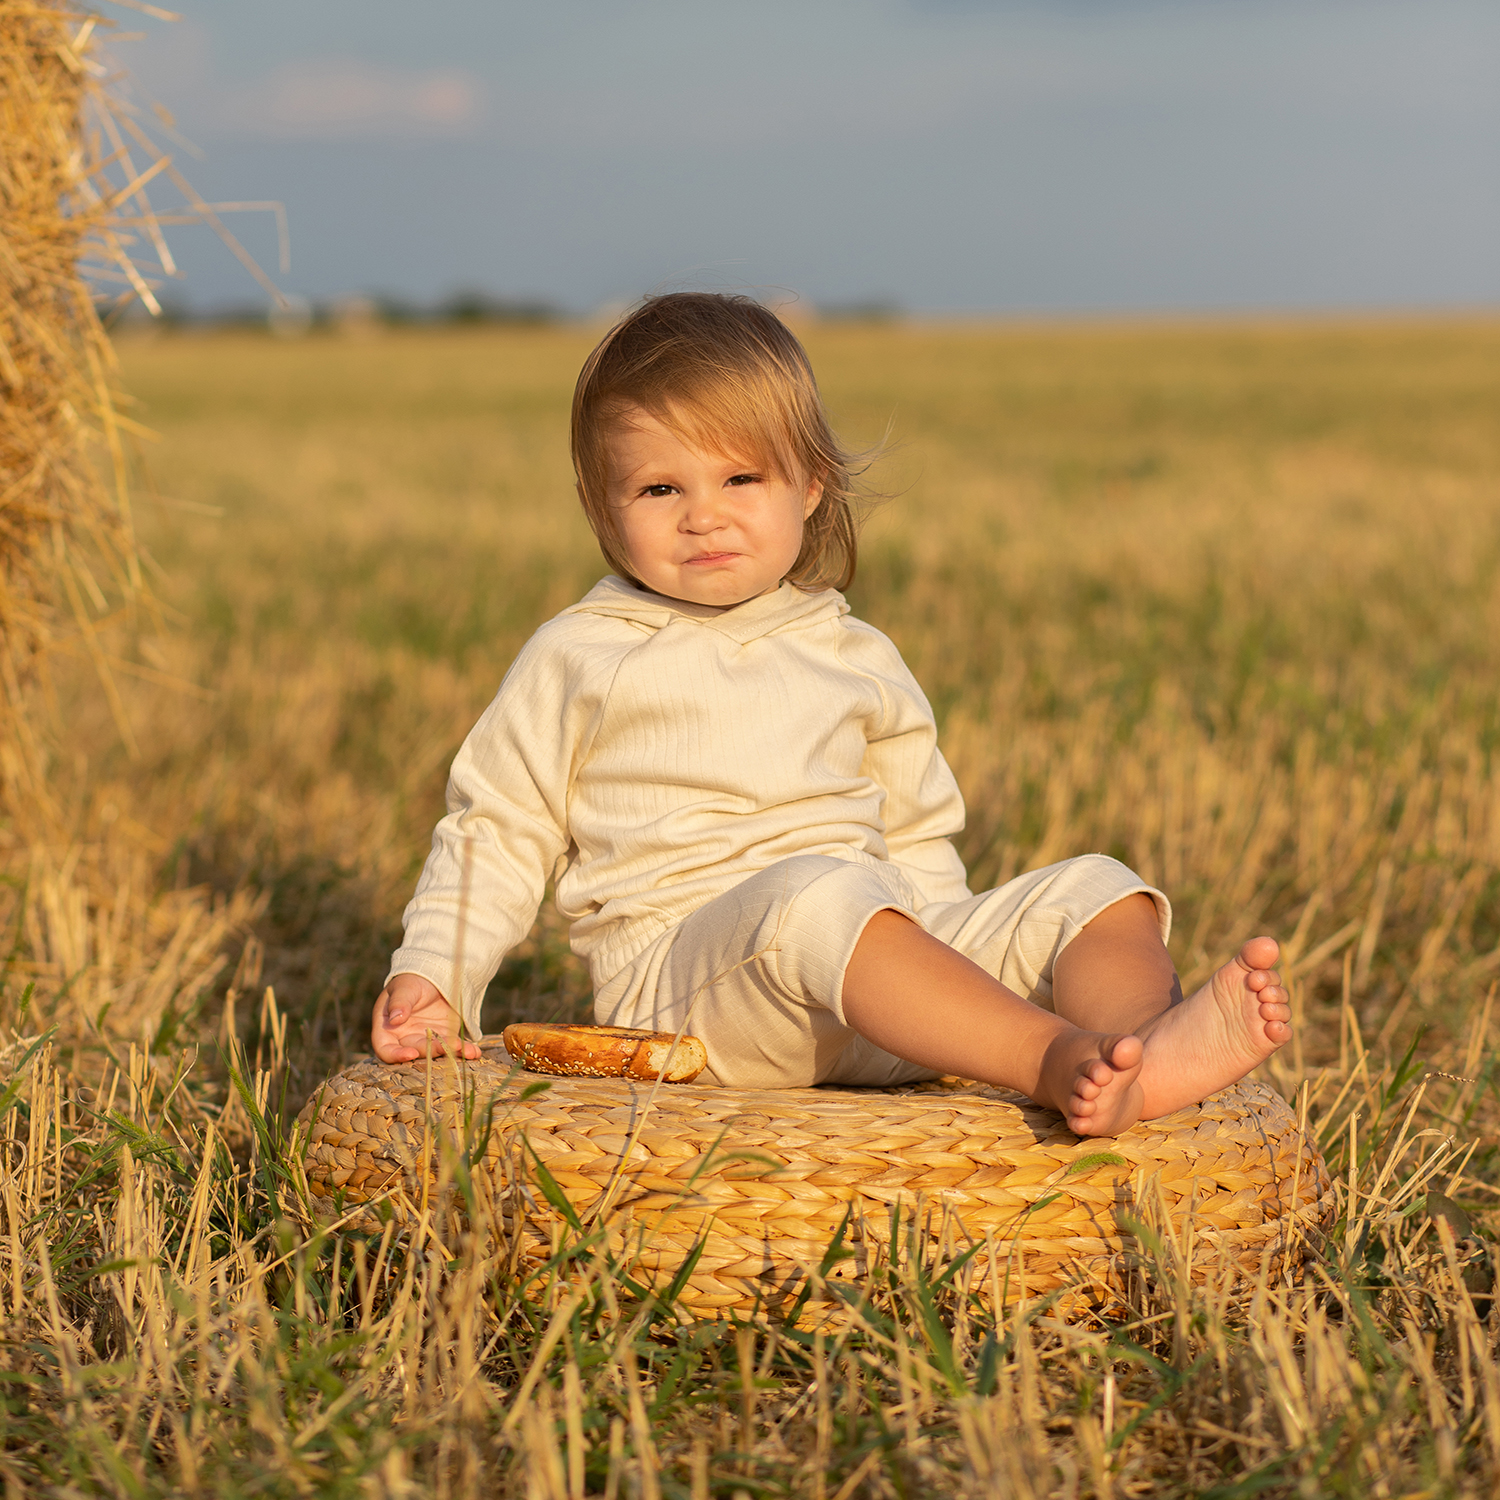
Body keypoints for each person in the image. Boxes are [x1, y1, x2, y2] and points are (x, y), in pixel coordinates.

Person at [370, 293, 1290, 1136]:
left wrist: (942, 975)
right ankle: (1050, 1058)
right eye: (660, 489)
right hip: (690, 995)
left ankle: (1137, 1051)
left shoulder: (854, 652)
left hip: (872, 977)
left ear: (810, 486)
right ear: (599, 508)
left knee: (1096, 885)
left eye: (741, 480)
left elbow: (920, 835)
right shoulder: (581, 653)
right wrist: (438, 977)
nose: (704, 517)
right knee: (816, 894)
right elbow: (496, 827)